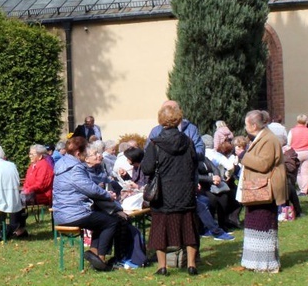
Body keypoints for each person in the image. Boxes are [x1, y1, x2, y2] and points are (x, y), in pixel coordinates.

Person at [140, 103, 199, 276]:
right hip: (185, 192)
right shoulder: (188, 142)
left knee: (160, 230)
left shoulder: (155, 144)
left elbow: (147, 168)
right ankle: (192, 265)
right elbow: (194, 162)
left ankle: (162, 267)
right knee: (189, 228)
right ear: (178, 119)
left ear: (161, 121)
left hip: (163, 194)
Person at [53, 136, 126, 272]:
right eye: (85, 152)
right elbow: (89, 188)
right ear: (78, 154)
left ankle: (94, 253)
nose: (87, 154)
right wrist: (108, 195)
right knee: (111, 221)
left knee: (100, 220)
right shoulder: (75, 168)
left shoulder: (62, 164)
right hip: (73, 214)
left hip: (61, 213)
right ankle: (101, 258)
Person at [240, 110, 287, 273]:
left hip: (265, 190)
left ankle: (265, 263)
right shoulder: (261, 137)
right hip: (256, 190)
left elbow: (264, 164)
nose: (245, 127)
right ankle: (254, 261)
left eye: (246, 124)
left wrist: (242, 156)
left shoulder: (268, 139)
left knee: (264, 225)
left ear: (253, 125)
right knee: (255, 225)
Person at [287, 114, 308, 195]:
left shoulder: (292, 130)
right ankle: (304, 190)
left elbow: (288, 143)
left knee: (298, 172)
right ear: (305, 121)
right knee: (306, 172)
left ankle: (301, 188)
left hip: (296, 153)